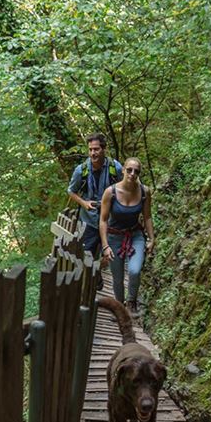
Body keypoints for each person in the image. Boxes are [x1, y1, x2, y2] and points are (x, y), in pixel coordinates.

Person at [98, 157, 153, 316]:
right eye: (129, 169)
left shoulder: (144, 192)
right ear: (123, 170)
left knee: (135, 271)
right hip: (114, 237)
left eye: (136, 171)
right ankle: (119, 309)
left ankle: (132, 302)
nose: (132, 173)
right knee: (117, 277)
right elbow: (103, 220)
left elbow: (147, 217)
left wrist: (152, 239)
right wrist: (105, 246)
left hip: (135, 235)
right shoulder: (111, 192)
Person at [66, 134, 121, 264]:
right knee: (85, 258)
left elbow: (124, 189)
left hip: (110, 221)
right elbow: (71, 190)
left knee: (110, 257)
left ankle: (100, 278)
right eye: (90, 150)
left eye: (96, 149)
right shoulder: (81, 171)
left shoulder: (116, 168)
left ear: (104, 149)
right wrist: (83, 203)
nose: (93, 153)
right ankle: (91, 281)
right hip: (88, 222)